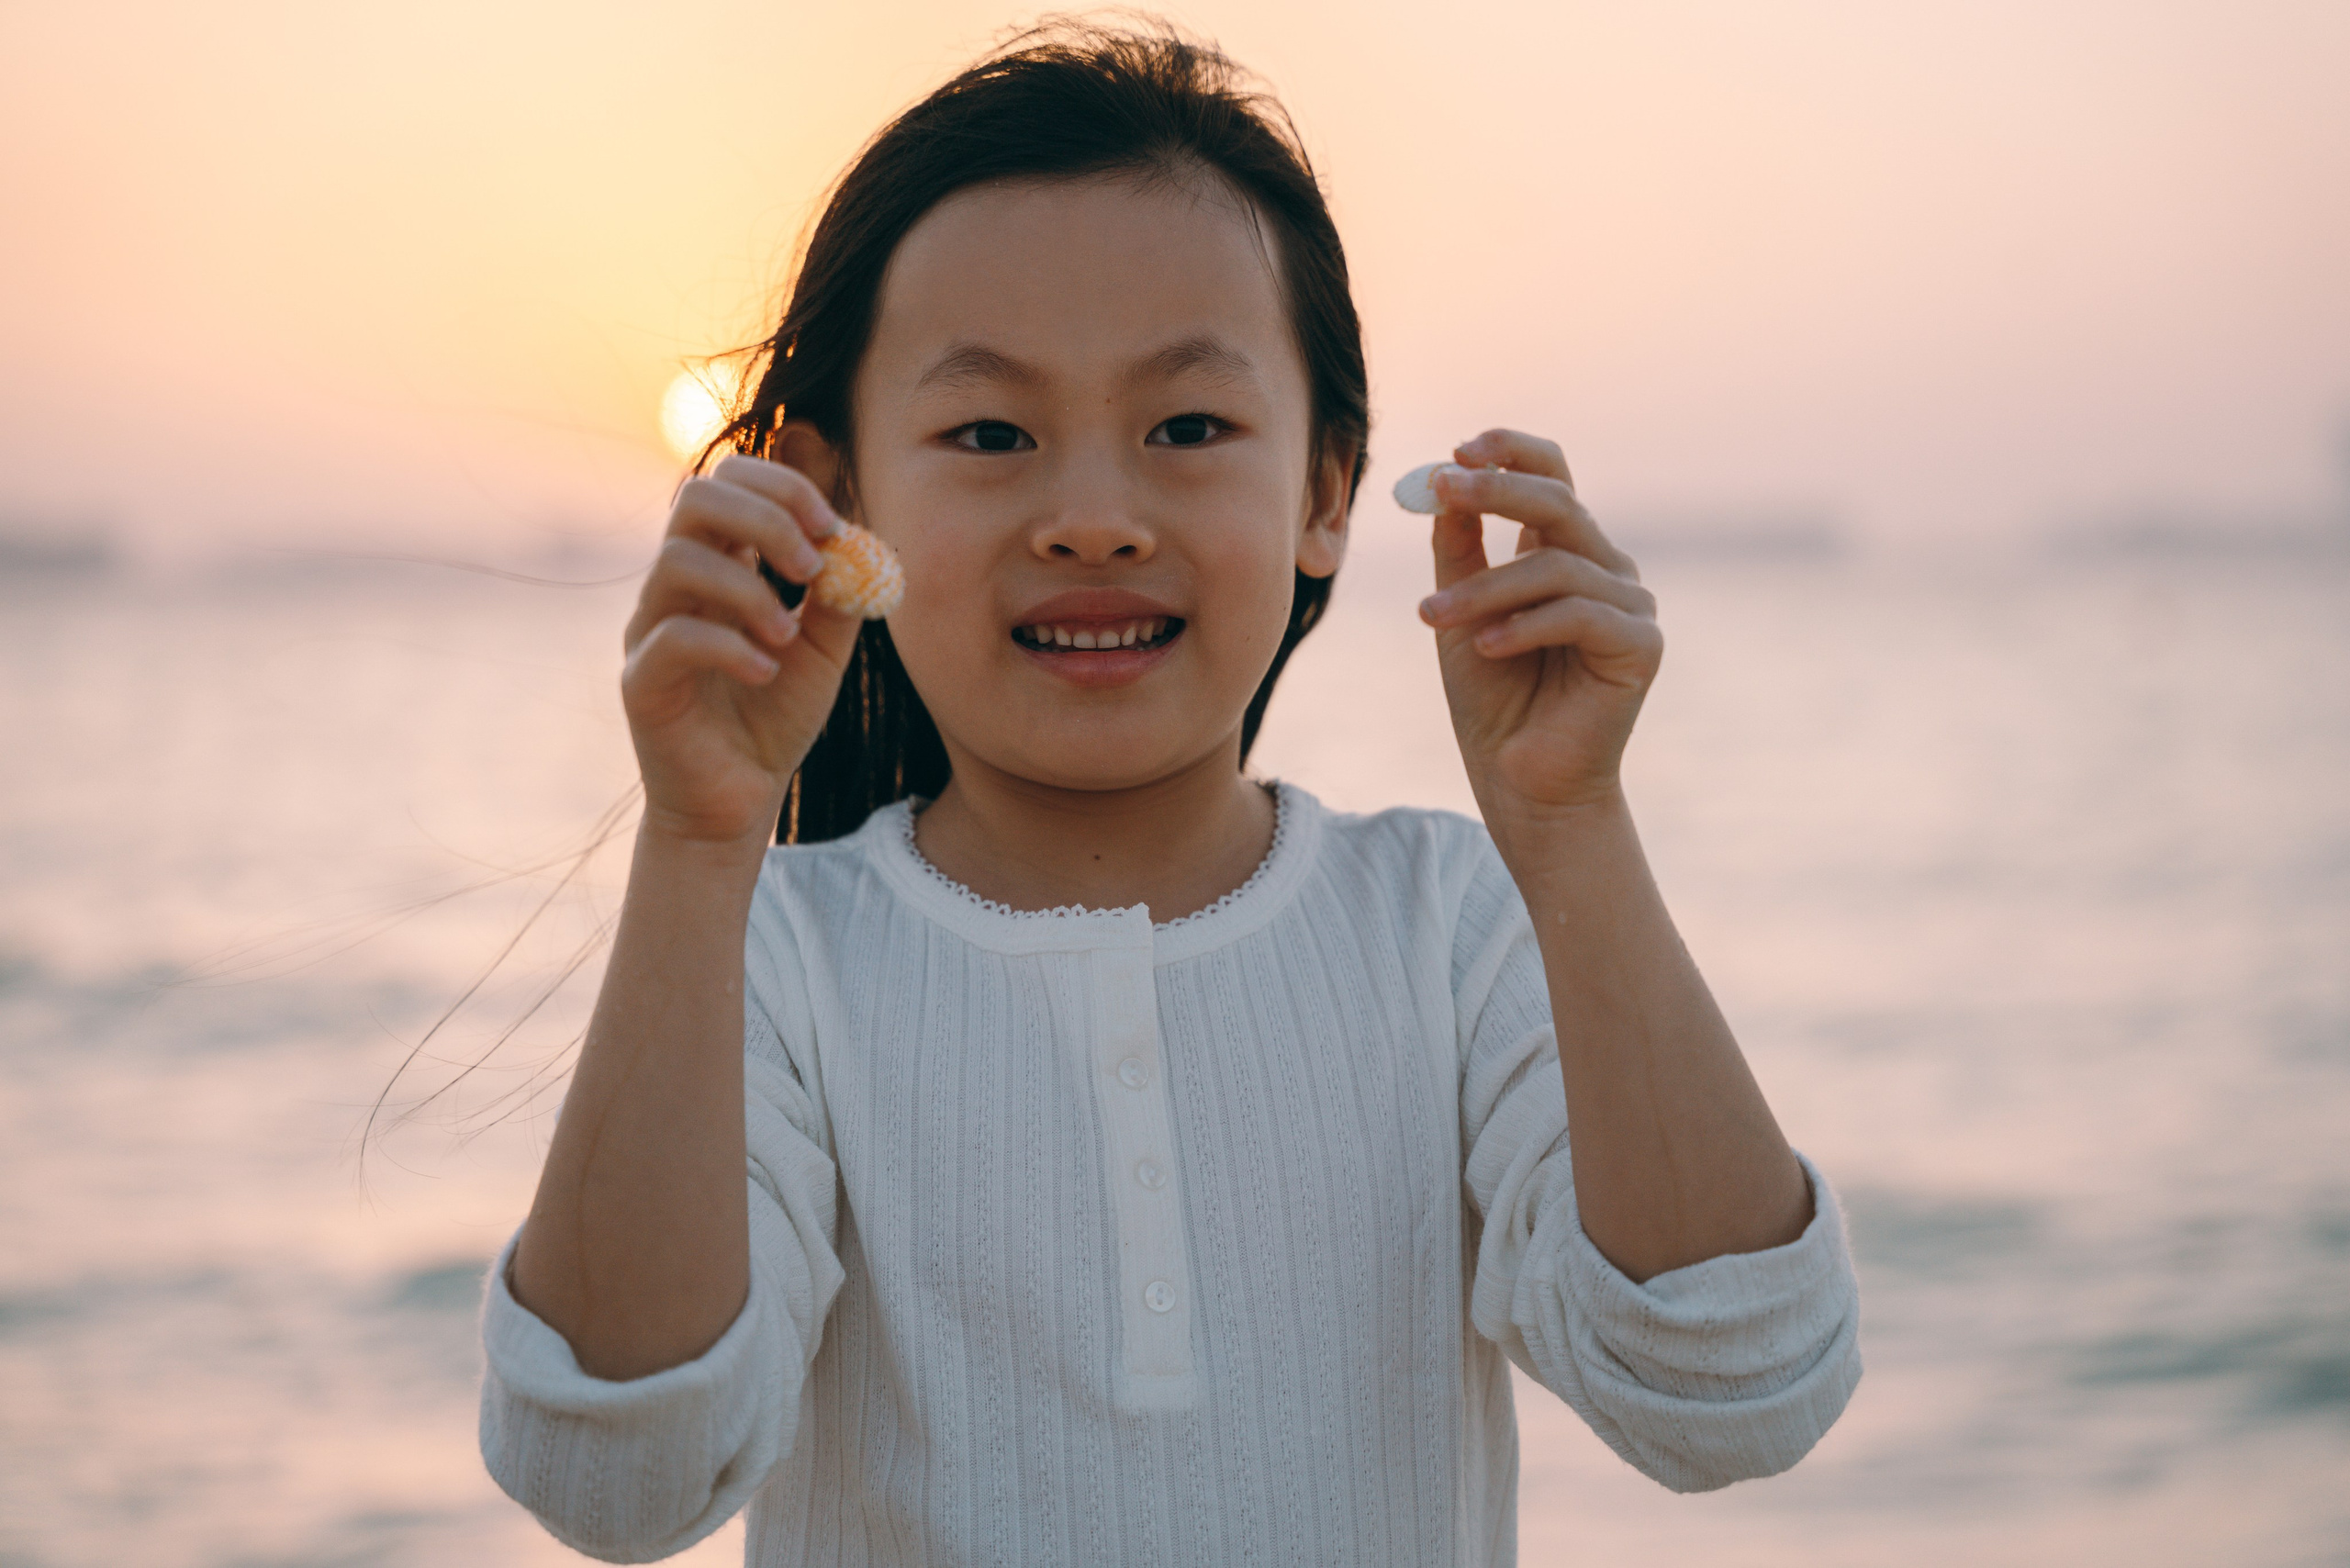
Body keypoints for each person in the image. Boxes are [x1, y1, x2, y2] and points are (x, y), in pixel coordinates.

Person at [478, 22, 1861, 1566]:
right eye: (989, 432)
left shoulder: (1453, 929)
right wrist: (696, 841)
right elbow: (614, 1481)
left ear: (1329, 491)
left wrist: (1574, 830)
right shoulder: (777, 961)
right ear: (842, 503)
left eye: (1188, 428)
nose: (1090, 519)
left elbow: (1733, 1399)